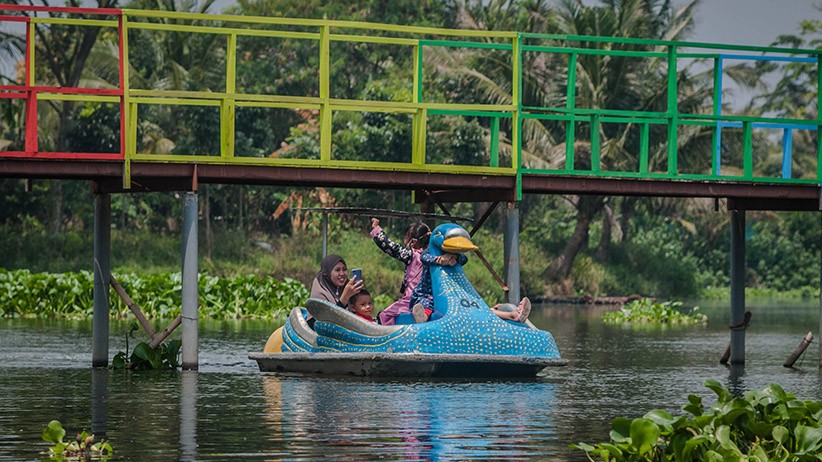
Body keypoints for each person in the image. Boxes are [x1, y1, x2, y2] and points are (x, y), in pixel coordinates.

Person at [410, 252, 532, 324]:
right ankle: (423, 319)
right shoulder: (428, 254)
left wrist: (454, 257)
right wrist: (440, 260)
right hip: (428, 298)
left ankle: (513, 315)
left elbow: (464, 258)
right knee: (426, 304)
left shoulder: (456, 257)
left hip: (453, 296)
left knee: (474, 309)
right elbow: (424, 257)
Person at [370, 218, 430, 325]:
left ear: (413, 242)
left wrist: (376, 229)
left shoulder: (412, 255)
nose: (404, 240)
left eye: (406, 237)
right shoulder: (432, 256)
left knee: (384, 315)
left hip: (411, 299)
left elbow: (390, 247)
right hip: (428, 300)